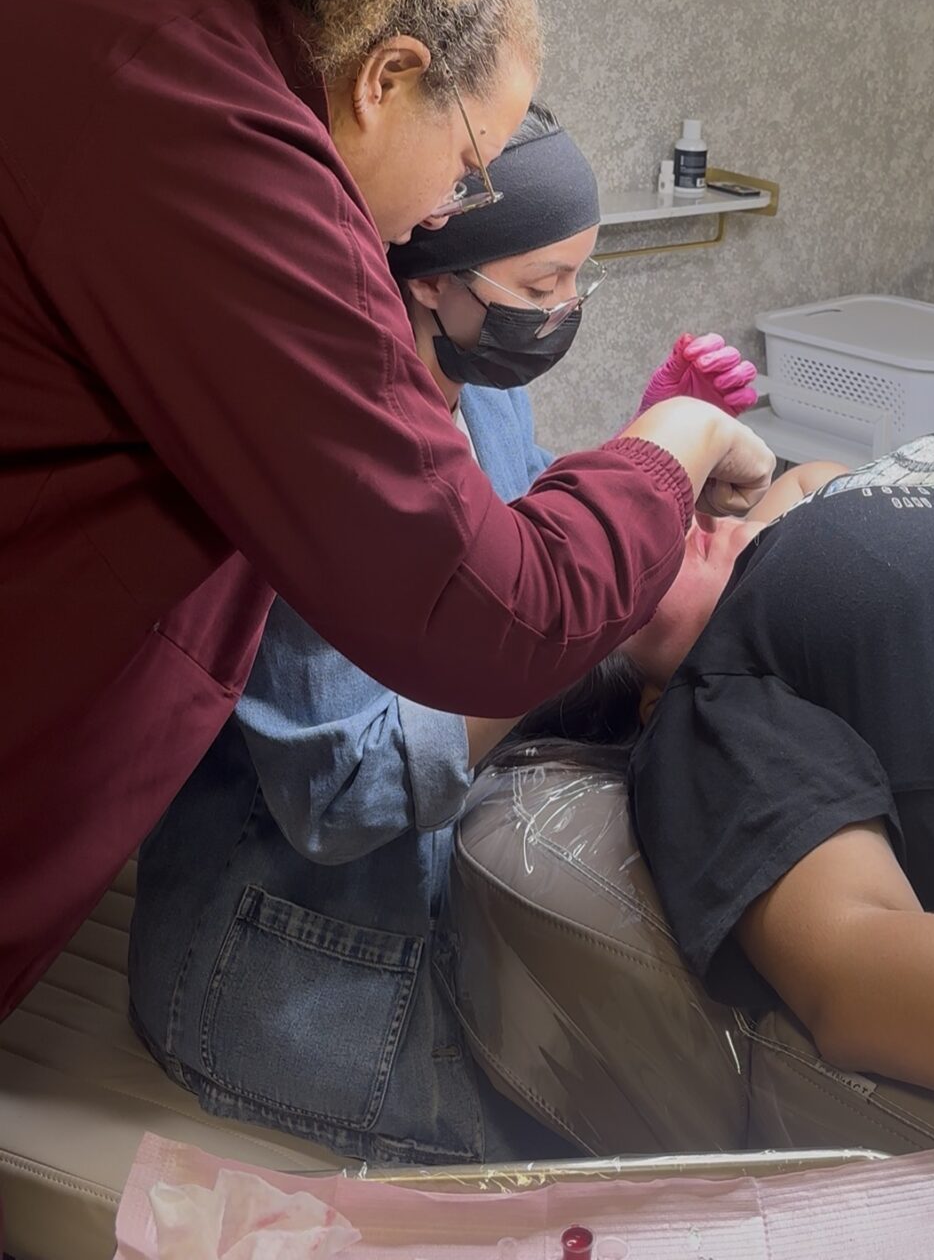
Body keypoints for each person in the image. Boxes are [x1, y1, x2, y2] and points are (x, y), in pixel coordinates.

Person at [0, 0, 774, 1021]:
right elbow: (487, 609)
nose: (444, 213)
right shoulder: (228, 151)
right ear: (388, 76)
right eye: (469, 167)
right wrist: (674, 442)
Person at [129, 102, 760, 1163]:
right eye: (540, 285)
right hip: (286, 979)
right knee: (638, 1150)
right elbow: (345, 788)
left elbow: (515, 557)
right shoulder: (323, 462)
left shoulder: (475, 383)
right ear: (431, 276)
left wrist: (627, 488)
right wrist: (581, 610)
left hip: (430, 908)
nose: (563, 311)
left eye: (577, 280)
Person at [527, 434, 934, 1113]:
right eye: (617, 542)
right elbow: (860, 980)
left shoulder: (793, 523)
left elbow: (802, 478)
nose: (669, 519)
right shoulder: (705, 702)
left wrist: (699, 461)